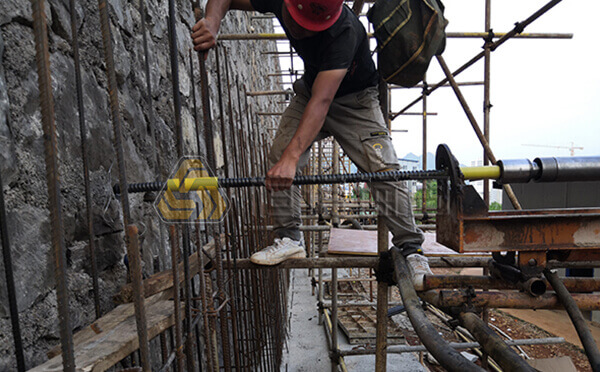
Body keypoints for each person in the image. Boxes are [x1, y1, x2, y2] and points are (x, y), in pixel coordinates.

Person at [191, 0, 432, 283]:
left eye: (312, 29)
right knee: (279, 154)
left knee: (383, 170)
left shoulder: (345, 31)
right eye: (299, 24)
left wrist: (292, 159)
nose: (303, 33)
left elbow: (323, 102)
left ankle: (411, 249)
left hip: (356, 101)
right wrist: (213, 21)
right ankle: (289, 239)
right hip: (310, 90)